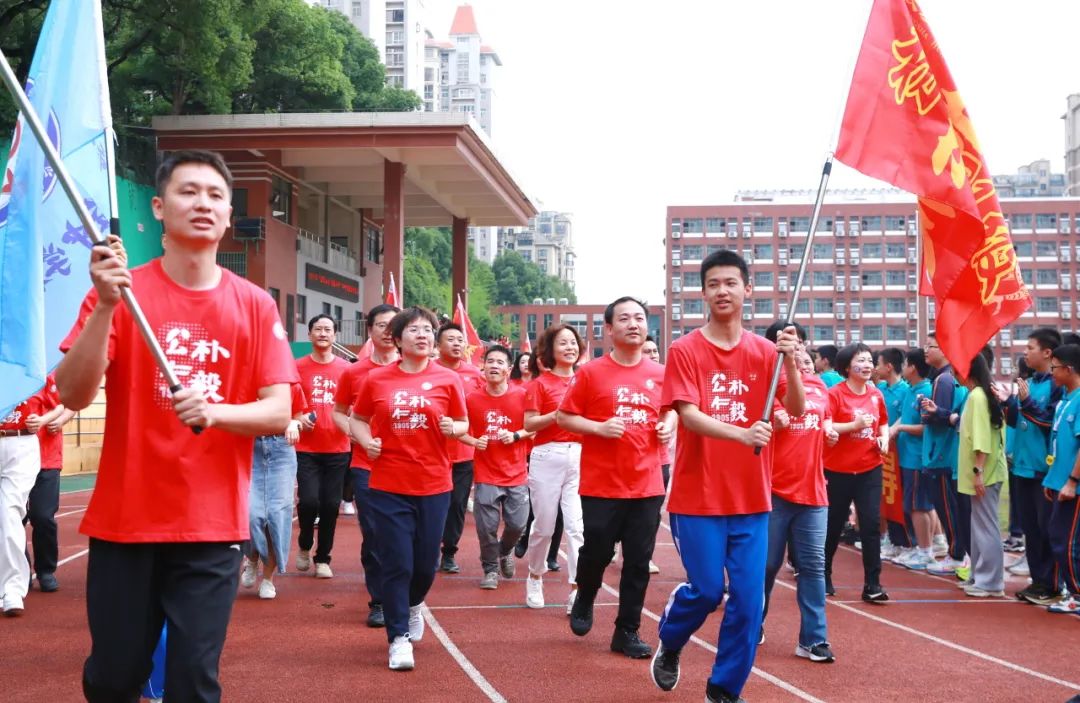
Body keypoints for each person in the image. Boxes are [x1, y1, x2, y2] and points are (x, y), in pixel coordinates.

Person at [56, 150, 297, 700]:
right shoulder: (119, 294)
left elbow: (278, 411)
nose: (203, 204)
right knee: (113, 678)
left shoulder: (255, 305)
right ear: (160, 208)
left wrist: (215, 413)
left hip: (210, 529)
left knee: (193, 680)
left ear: (230, 215)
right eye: (189, 192)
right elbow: (72, 393)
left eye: (216, 195)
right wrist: (103, 308)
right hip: (126, 523)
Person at [650, 249, 804, 703]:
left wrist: (792, 361)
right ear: (702, 292)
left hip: (753, 500)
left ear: (747, 289)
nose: (722, 291)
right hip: (698, 498)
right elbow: (689, 415)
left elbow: (794, 409)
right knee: (707, 590)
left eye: (731, 283)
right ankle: (672, 638)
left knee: (749, 602)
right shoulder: (685, 350)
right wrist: (742, 434)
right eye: (714, 284)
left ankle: (724, 688)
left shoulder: (765, 352)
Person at [349, 307, 468, 671]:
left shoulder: (448, 380)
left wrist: (454, 429)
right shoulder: (377, 380)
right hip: (387, 484)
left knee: (425, 564)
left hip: (434, 483)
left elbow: (463, 423)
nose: (422, 335)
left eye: (427, 330)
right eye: (413, 330)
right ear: (397, 340)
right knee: (397, 561)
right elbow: (356, 418)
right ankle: (398, 636)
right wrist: (366, 441)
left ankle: (414, 603)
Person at [558, 296, 672, 659]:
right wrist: (598, 427)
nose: (633, 324)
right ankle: (586, 595)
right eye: (624, 319)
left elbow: (677, 411)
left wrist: (669, 424)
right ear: (609, 329)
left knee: (638, 561)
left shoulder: (661, 373)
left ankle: (627, 631)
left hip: (647, 483)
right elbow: (564, 418)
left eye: (639, 317)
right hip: (601, 484)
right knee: (597, 552)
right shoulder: (591, 373)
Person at [762, 337, 835, 664]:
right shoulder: (773, 393)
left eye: (806, 358)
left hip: (814, 492)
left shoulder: (821, 388)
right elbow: (787, 413)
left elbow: (827, 422)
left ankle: (813, 640)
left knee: (813, 567)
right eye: (794, 358)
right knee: (766, 566)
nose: (803, 363)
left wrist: (832, 432)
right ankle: (752, 623)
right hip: (776, 492)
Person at [333, 302, 400, 628]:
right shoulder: (354, 371)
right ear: (369, 330)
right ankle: (379, 601)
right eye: (381, 325)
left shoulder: (413, 370)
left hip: (407, 467)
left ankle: (403, 594)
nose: (387, 332)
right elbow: (339, 411)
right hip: (366, 464)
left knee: (404, 537)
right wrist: (358, 436)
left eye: (393, 325)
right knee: (374, 532)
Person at [523, 324, 587, 612]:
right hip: (547, 456)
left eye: (573, 343)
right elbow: (529, 424)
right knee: (545, 526)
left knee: (576, 527)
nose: (570, 348)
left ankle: (576, 588)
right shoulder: (540, 384)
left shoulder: (585, 380)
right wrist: (557, 415)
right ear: (550, 350)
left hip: (581, 456)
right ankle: (535, 574)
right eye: (563, 343)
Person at [459, 345, 533, 590]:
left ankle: (506, 550)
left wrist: (515, 435)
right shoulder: (472, 398)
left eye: (500, 362)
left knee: (518, 524)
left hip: (516, 473)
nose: (493, 365)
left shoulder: (522, 395)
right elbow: (460, 429)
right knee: (486, 527)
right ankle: (490, 569)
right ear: (483, 366)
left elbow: (533, 426)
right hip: (486, 473)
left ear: (509, 369)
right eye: (490, 361)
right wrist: (473, 441)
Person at [822, 344, 890, 602]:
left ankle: (873, 584)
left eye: (870, 360)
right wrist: (855, 425)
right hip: (837, 470)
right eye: (861, 360)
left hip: (869, 468)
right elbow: (827, 426)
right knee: (833, 525)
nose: (867, 365)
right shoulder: (835, 394)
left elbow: (882, 422)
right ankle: (824, 574)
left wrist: (883, 439)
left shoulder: (875, 395)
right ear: (847, 366)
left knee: (871, 524)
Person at [1003, 328, 1063, 605]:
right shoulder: (1028, 381)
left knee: (1046, 527)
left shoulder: (1056, 384)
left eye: (1030, 347)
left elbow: (1051, 423)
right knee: (1030, 527)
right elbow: (1016, 422)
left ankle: (1052, 584)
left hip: (1043, 469)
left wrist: (1025, 402)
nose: (1024, 352)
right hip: (1022, 468)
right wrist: (1008, 404)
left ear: (1047, 353)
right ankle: (1038, 581)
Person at [293, 315, 352, 579]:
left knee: (330, 505)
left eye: (328, 329)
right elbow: (289, 401)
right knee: (307, 502)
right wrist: (297, 417)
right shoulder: (297, 367)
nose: (323, 333)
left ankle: (323, 558)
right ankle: (305, 543)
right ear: (310, 335)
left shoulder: (345, 369)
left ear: (335, 336)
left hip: (338, 448)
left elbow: (356, 404)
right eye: (318, 329)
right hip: (306, 448)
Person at [241, 381, 307, 600]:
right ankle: (251, 556)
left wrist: (293, 424)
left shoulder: (291, 385)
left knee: (276, 516)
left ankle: (268, 578)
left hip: (281, 450)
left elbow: (299, 417)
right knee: (251, 513)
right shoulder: (243, 381)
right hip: (249, 448)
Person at [951, 353, 1007, 597]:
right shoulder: (978, 395)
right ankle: (979, 575)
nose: (953, 373)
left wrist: (979, 472)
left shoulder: (977, 396)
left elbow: (981, 440)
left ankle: (991, 581)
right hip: (982, 471)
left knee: (986, 527)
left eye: (956, 368)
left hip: (986, 472)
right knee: (979, 526)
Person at [435, 323, 485, 574]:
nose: (457, 344)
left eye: (460, 340)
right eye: (451, 339)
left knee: (457, 504)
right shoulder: (431, 372)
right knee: (434, 504)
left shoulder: (475, 374)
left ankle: (449, 552)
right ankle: (430, 548)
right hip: (433, 452)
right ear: (438, 345)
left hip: (464, 453)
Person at [921, 332, 970, 578]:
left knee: (948, 509)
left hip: (941, 454)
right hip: (947, 454)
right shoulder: (947, 378)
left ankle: (956, 554)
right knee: (952, 507)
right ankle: (958, 552)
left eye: (930, 346)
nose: (925, 351)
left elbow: (940, 417)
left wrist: (927, 412)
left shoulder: (944, 380)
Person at [0, 385, 50, 615]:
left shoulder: (35, 365)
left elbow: (63, 402)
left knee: (9, 512)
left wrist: (42, 418)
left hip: (21, 444)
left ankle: (12, 589)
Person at [27, 375, 75, 593]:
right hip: (12, 461)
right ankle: (20, 570)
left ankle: (46, 569)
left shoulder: (47, 374)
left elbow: (67, 404)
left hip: (47, 459)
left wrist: (57, 420)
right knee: (12, 519)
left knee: (42, 516)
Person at [892, 349, 938, 570]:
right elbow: (906, 416)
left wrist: (900, 428)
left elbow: (925, 427)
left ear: (912, 368)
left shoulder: (926, 391)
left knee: (918, 506)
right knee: (921, 505)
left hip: (917, 457)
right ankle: (929, 546)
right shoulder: (913, 390)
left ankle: (925, 551)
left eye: (905, 364)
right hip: (908, 457)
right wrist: (895, 427)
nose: (902, 368)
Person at [1044, 343, 1080, 613]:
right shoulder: (1066, 400)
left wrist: (1072, 481)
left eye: (1055, 367)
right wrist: (1051, 480)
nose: (1052, 372)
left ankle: (1077, 593)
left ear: (1069, 369)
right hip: (1059, 481)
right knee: (1059, 536)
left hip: (1073, 487)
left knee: (1064, 539)